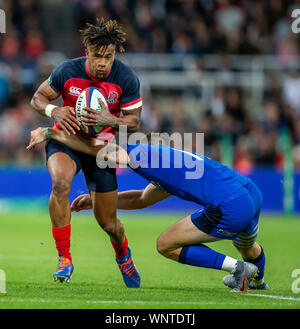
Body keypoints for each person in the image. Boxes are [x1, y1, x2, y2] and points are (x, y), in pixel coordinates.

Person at [27, 128, 268, 292]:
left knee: (166, 244)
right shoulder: (165, 161)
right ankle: (258, 280)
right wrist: (93, 201)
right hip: (250, 192)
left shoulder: (137, 153)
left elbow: (103, 150)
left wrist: (52, 133)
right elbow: (142, 199)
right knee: (246, 244)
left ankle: (239, 269)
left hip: (230, 206)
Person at [30, 18, 142, 287]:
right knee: (60, 183)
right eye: (97, 56)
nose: (103, 63)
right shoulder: (66, 71)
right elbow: (37, 98)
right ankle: (64, 258)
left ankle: (123, 254)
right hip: (65, 140)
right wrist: (53, 110)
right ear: (86, 51)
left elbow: (134, 120)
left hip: (100, 148)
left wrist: (109, 119)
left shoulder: (125, 77)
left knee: (108, 222)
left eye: (109, 56)